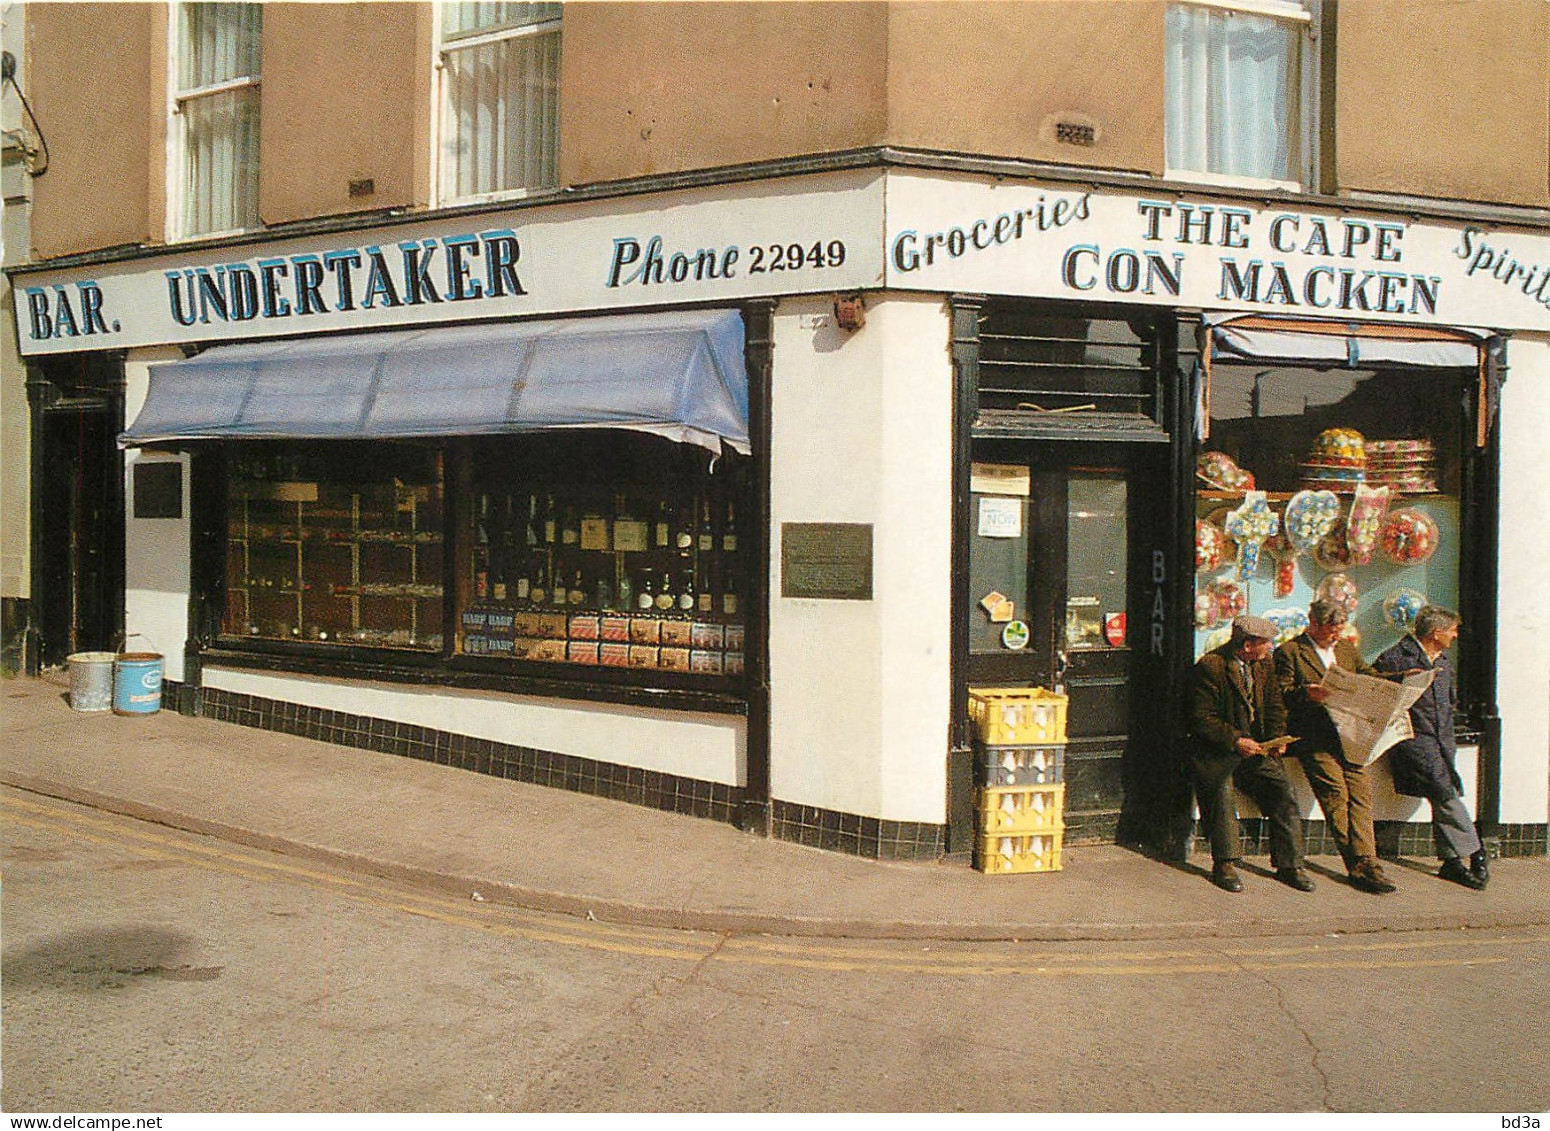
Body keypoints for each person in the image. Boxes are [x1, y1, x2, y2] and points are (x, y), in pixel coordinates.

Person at [1275, 600, 1397, 894]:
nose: (1336, 637)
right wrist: (1307, 693)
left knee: (1361, 795)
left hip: (1350, 735)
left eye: (1339, 631)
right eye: (1331, 631)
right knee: (1335, 794)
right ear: (1313, 624)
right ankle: (1356, 863)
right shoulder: (1290, 652)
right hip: (1314, 735)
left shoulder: (1345, 650)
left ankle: (1369, 860)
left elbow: (1368, 675)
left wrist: (1400, 680)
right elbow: (1280, 693)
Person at [1190, 614, 1313, 893]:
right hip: (1220, 751)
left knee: (1282, 789)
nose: (1270, 648)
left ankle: (1290, 865)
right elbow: (1202, 718)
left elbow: (1274, 706)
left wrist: (1275, 739)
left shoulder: (1264, 665)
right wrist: (1236, 740)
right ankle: (1225, 863)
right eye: (1265, 643)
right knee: (1221, 791)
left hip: (1256, 750)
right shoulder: (1211, 666)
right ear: (1247, 645)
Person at [1373, 605, 1488, 890]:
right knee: (1445, 793)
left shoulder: (1444, 662)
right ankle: (1477, 851)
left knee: (1441, 795)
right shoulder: (1396, 658)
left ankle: (1451, 862)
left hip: (1441, 740)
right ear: (1436, 633)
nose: (1456, 635)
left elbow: (1449, 704)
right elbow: (1374, 689)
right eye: (1452, 630)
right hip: (1414, 740)